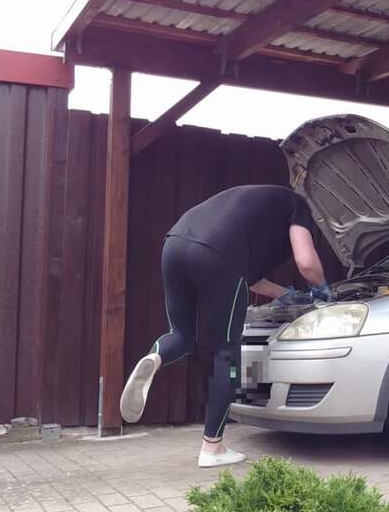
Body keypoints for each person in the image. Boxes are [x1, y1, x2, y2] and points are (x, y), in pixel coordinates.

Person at [119, 185, 330, 468]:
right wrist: (322, 287)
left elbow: (246, 278)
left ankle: (154, 357)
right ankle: (212, 447)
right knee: (226, 355)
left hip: (175, 243)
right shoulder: (298, 205)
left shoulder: (257, 204)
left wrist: (284, 294)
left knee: (181, 336)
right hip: (218, 253)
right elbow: (306, 262)